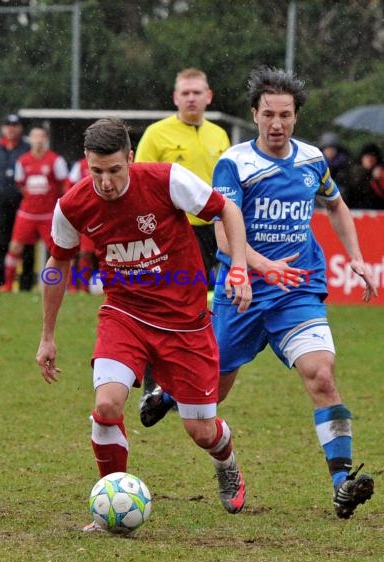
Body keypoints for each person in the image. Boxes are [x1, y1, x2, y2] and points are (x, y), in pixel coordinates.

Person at [142, 67, 377, 520]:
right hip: (242, 291)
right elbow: (227, 235)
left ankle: (342, 482)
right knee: (212, 396)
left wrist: (356, 256)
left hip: (296, 291)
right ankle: (169, 396)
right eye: (268, 114)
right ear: (254, 114)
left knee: (322, 375)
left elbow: (337, 205)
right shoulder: (234, 162)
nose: (276, 124)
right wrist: (260, 267)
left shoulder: (312, 160)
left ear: (295, 117)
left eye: (285, 115)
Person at [35, 118, 252, 532]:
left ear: (130, 159)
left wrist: (238, 268)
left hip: (185, 324)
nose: (106, 182)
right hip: (124, 315)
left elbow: (227, 209)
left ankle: (226, 462)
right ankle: (109, 503)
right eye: (97, 171)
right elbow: (58, 264)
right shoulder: (73, 205)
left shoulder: (166, 180)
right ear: (86, 163)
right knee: (106, 406)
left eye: (115, 170)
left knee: (201, 430)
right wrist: (47, 336)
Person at [135, 67, 231, 399]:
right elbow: (139, 183)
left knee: (205, 309)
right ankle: (153, 385)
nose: (191, 98)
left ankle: (190, 384)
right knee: (163, 307)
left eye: (197, 92)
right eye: (185, 93)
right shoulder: (156, 134)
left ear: (209, 96)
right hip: (171, 234)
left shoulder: (220, 136)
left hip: (212, 234)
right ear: (175, 98)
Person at [0, 125, 68, 292]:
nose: (38, 140)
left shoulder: (55, 160)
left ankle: (61, 285)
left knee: (56, 250)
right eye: (35, 137)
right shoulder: (23, 160)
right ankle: (7, 284)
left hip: (48, 215)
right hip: (27, 213)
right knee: (15, 247)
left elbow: (63, 185)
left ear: (46, 139)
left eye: (41, 137)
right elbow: (20, 184)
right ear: (30, 139)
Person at [0, 113, 35, 290]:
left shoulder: (27, 148)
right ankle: (1, 284)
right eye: (8, 125)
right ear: (3, 128)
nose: (11, 129)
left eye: (15, 125)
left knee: (26, 245)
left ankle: (26, 285)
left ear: (20, 128)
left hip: (22, 205)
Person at [64, 157, 98, 293]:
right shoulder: (81, 165)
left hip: (109, 214)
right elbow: (69, 188)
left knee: (111, 253)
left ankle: (114, 289)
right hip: (88, 217)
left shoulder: (112, 162)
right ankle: (81, 289)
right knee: (85, 253)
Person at [345, 143, 384, 209]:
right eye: (367, 156)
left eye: (373, 156)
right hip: (356, 210)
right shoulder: (353, 172)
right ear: (362, 158)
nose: (370, 159)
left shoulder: (380, 173)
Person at [318, 132, 352, 203]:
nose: (330, 151)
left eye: (332, 149)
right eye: (327, 149)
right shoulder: (317, 163)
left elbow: (346, 180)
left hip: (339, 190)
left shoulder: (344, 162)